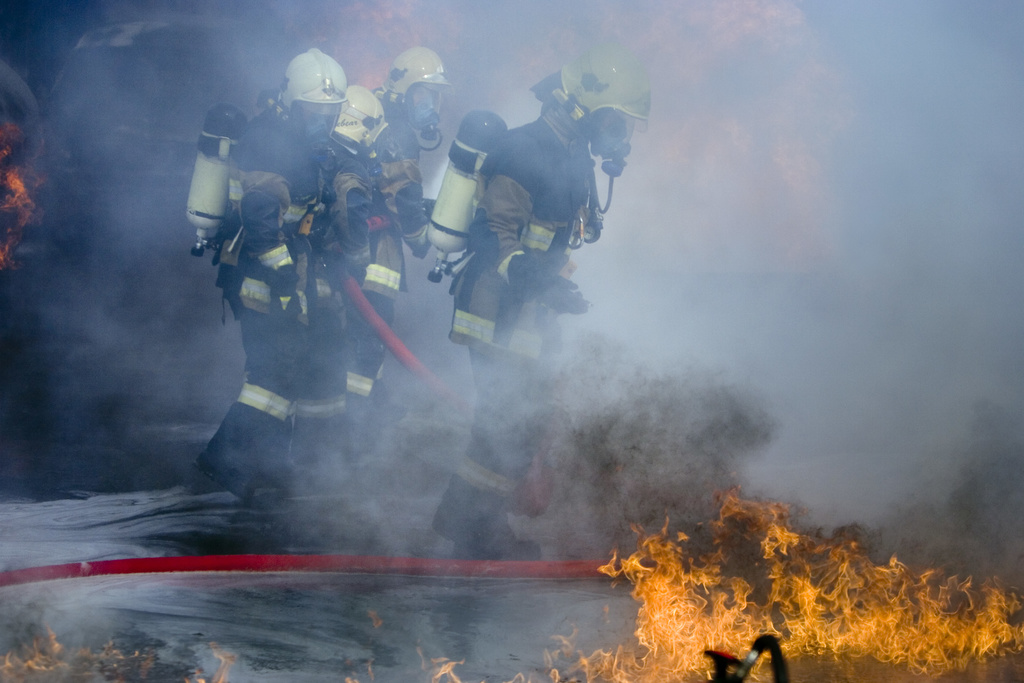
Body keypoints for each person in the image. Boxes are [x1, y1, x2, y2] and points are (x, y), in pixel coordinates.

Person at [430, 43, 651, 559]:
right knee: (506, 421)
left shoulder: (570, 153)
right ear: (582, 105)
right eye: (614, 122)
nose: (619, 137)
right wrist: (536, 278)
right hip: (495, 309)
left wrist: (551, 290)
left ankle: (468, 522)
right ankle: (471, 530)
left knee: (518, 421)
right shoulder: (523, 150)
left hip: (527, 311)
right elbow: (493, 233)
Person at [195, 48, 348, 506]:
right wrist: (281, 268)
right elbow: (261, 213)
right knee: (272, 372)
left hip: (282, 271)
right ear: (293, 105)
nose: (323, 120)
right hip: (260, 273)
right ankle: (227, 460)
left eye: (330, 112)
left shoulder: (301, 143)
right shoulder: (270, 140)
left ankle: (267, 467)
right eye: (314, 111)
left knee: (287, 366)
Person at [342, 47, 452, 449]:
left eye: (435, 96)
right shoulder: (398, 130)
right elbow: (402, 193)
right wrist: (422, 237)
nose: (430, 105)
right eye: (424, 94)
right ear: (404, 90)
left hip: (350, 245)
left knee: (361, 332)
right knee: (372, 334)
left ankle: (373, 407)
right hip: (374, 252)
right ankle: (354, 430)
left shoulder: (374, 113)